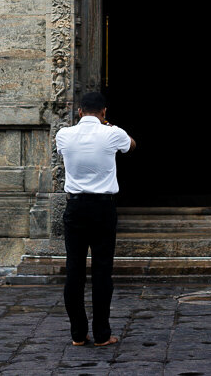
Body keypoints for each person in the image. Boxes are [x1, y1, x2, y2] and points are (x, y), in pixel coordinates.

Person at [55, 91, 135, 348]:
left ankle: (78, 333)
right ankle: (102, 333)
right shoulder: (112, 132)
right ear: (104, 112)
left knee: (74, 271)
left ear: (79, 111)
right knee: (102, 271)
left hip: (75, 207)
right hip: (103, 208)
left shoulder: (64, 134)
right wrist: (108, 125)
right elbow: (132, 145)